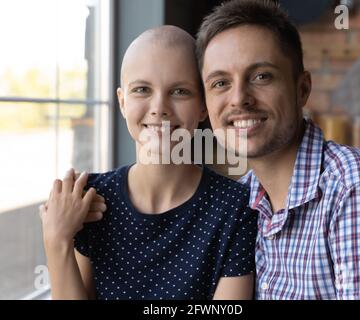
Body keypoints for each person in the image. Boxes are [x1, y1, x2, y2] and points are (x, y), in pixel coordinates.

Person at [196, 0, 360, 299]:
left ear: (302, 89)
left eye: (262, 76)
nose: (239, 99)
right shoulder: (242, 199)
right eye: (221, 82)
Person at [40, 25, 257, 300]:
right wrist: (56, 239)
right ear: (122, 102)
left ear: (203, 106)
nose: (159, 107)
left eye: (179, 91)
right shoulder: (90, 200)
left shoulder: (236, 208)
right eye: (142, 89)